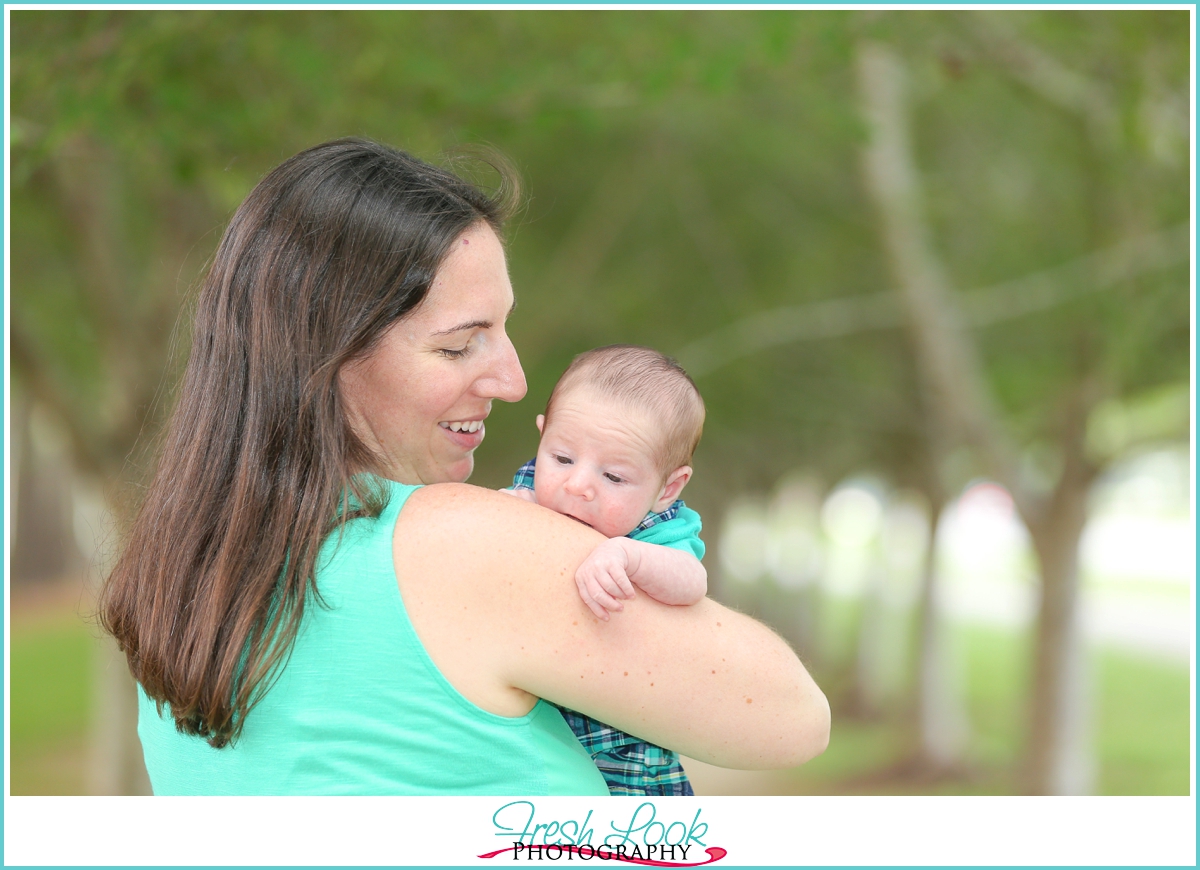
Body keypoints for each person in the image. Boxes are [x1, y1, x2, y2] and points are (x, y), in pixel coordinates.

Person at [99, 137, 830, 795]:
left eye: (502, 329)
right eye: (459, 345)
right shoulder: (462, 544)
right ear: (330, 356)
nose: (513, 380)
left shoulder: (185, 582)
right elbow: (791, 717)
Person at [504, 344, 709, 796]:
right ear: (542, 437)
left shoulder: (656, 530)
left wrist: (628, 556)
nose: (578, 485)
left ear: (667, 488)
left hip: (622, 750)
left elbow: (693, 582)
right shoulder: (525, 499)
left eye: (613, 477)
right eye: (561, 458)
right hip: (530, 730)